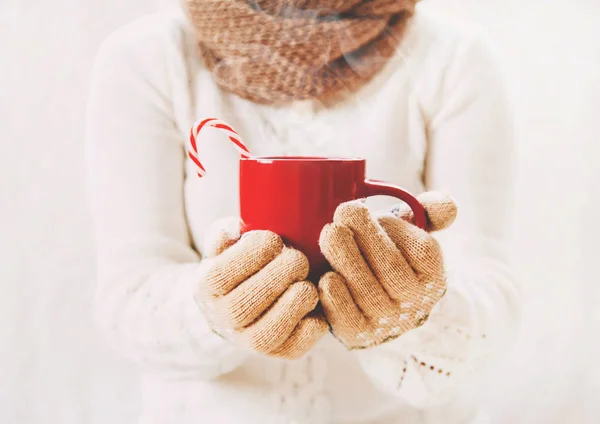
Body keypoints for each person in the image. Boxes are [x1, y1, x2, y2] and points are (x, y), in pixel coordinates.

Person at [84, 0, 520, 423]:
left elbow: (493, 306)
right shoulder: (148, 59)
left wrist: (418, 312)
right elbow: (126, 302)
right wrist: (214, 309)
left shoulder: (453, 57)